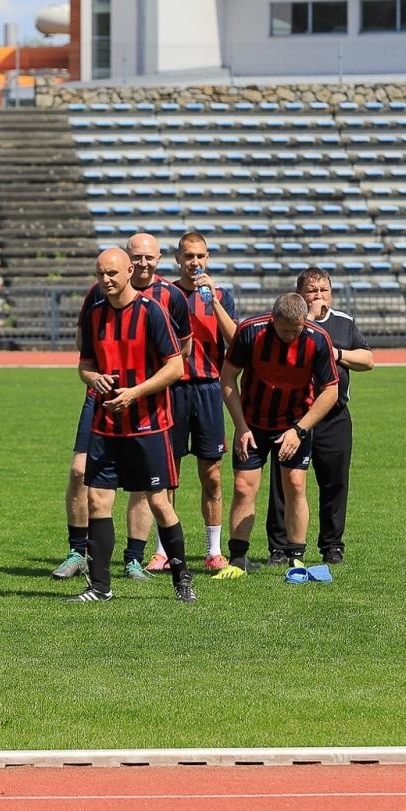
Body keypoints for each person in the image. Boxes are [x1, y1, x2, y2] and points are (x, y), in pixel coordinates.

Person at [54, 232, 192, 581]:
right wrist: (92, 378)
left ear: (130, 270)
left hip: (148, 417)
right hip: (104, 415)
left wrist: (137, 391)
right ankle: (93, 574)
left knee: (155, 496)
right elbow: (85, 362)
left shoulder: (160, 306)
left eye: (112, 274)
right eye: (100, 274)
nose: (106, 280)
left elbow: (178, 362)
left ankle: (151, 565)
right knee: (89, 485)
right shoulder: (94, 308)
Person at [215, 293, 339, 577]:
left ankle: (296, 557)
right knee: (244, 487)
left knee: (295, 484)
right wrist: (241, 426)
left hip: (295, 423)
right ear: (273, 321)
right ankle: (238, 558)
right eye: (286, 330)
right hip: (253, 423)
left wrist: (299, 430)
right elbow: (227, 378)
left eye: (297, 329)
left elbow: (330, 391)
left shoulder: (317, 338)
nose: (292, 335)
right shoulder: (250, 332)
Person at [264, 267, 375, 566]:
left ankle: (332, 545)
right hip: (293, 415)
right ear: (299, 293)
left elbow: (368, 359)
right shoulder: (290, 323)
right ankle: (280, 547)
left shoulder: (343, 323)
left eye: (323, 289)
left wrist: (338, 354)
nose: (318, 295)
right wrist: (308, 319)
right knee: (285, 484)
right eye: (312, 290)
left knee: (334, 482)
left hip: (333, 417)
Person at [150, 230, 234, 573]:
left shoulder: (221, 295)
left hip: (209, 390)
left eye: (200, 256)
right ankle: (163, 551)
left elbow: (236, 340)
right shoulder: (163, 295)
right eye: (188, 256)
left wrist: (212, 299)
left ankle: (213, 551)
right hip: (172, 390)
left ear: (208, 258)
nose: (194, 262)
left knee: (211, 475)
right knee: (168, 475)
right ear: (178, 259)